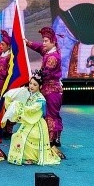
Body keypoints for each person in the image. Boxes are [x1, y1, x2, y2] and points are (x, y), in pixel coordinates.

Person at [3, 75, 60, 166]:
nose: (31, 86)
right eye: (30, 83)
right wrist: (12, 100)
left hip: (36, 123)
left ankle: (32, 157)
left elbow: (32, 109)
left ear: (40, 86)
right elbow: (13, 96)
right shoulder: (28, 95)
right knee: (17, 136)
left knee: (24, 137)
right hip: (29, 122)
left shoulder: (40, 99)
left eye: (35, 84)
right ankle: (21, 157)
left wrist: (19, 106)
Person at [27, 27, 66, 159]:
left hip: (53, 91)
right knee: (52, 115)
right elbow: (39, 47)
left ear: (53, 42)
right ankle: (55, 138)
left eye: (46, 41)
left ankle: (51, 140)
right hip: (47, 89)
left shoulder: (53, 57)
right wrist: (27, 42)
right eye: (43, 40)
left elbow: (46, 72)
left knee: (51, 116)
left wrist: (34, 77)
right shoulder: (48, 51)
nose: (43, 43)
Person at [0, 30, 14, 140]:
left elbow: (7, 72)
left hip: (6, 84)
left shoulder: (11, 57)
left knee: (7, 106)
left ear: (8, 46)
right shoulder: (0, 54)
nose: (0, 46)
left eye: (2, 44)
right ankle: (2, 127)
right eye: (0, 44)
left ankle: (8, 129)